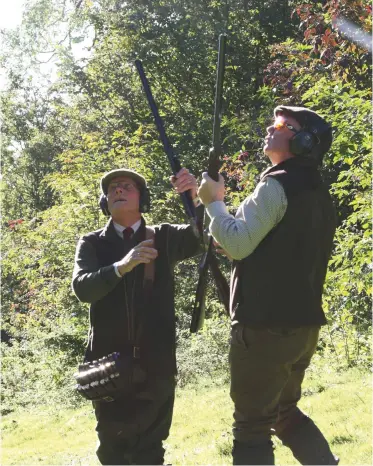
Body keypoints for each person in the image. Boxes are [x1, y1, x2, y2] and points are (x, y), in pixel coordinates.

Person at [197, 106, 338, 465]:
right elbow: (265, 246)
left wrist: (214, 203)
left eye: (282, 125)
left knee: (252, 425)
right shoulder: (318, 192)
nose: (270, 129)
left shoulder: (276, 184)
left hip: (264, 326)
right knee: (284, 414)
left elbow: (239, 244)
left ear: (305, 141)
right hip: (303, 327)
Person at [72, 167, 201, 465]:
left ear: (142, 198)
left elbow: (204, 236)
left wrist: (195, 198)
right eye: (113, 187)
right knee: (113, 449)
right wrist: (122, 266)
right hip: (107, 366)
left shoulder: (165, 236)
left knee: (150, 451)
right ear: (105, 201)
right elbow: (83, 288)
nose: (118, 190)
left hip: (156, 364)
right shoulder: (92, 243)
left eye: (127, 186)